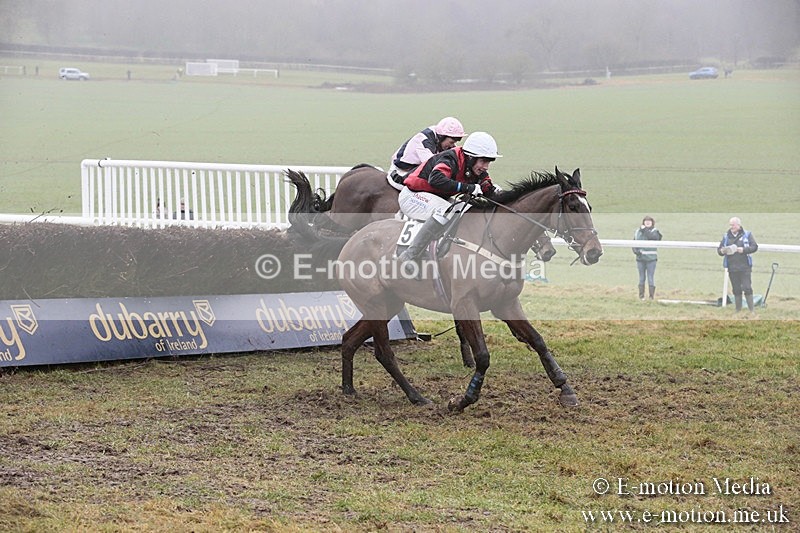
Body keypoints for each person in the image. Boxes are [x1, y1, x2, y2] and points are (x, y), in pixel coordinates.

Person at [396, 131, 501, 273]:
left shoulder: (476, 168)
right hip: (413, 196)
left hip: (433, 197)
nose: (486, 166)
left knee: (466, 209)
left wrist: (499, 194)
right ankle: (410, 254)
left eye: (488, 162)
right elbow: (436, 179)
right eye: (483, 161)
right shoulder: (450, 158)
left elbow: (487, 188)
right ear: (471, 157)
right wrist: (468, 188)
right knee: (447, 211)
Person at [388, 117, 466, 185]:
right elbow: (431, 166)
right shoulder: (424, 141)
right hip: (400, 172)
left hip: (414, 168)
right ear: (442, 137)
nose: (453, 146)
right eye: (451, 142)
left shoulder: (438, 136)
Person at [718, 216, 758, 314]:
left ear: (738, 225)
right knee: (736, 289)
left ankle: (751, 310)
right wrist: (723, 251)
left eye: (733, 225)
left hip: (745, 267)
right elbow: (719, 250)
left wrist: (743, 250)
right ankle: (738, 310)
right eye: (730, 225)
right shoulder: (726, 236)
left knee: (747, 287)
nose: (731, 227)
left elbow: (754, 247)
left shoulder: (747, 235)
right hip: (732, 267)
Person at [632, 216, 662, 300]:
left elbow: (653, 238)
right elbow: (633, 242)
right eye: (646, 221)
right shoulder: (638, 231)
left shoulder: (655, 231)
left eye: (649, 221)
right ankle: (641, 296)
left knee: (650, 278)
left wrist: (644, 230)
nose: (648, 222)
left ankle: (651, 297)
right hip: (640, 259)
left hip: (651, 259)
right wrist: (636, 251)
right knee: (641, 278)